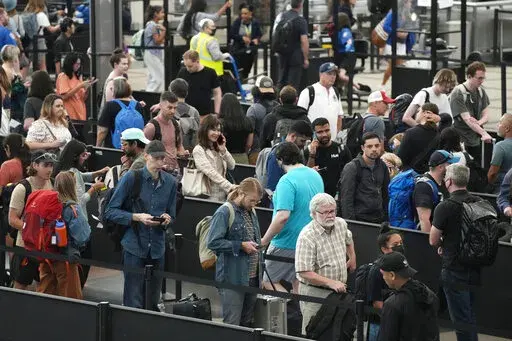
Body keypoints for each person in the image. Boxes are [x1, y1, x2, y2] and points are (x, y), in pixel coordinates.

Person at [105, 140, 177, 310]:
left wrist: (167, 219)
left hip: (158, 247)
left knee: (152, 300)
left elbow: (172, 214)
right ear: (146, 156)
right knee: (133, 299)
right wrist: (136, 217)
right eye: (156, 158)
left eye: (163, 158)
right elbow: (111, 211)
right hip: (134, 245)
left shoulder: (171, 183)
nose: (161, 163)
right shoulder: (132, 177)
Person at [260, 142, 324, 292]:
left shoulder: (286, 181)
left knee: (268, 281)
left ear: (280, 160)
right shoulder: (315, 175)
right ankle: (300, 313)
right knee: (298, 283)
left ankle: (290, 312)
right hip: (310, 239)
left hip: (285, 241)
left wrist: (264, 240)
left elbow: (282, 216)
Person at [430, 163, 482, 341]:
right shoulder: (479, 202)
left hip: (453, 268)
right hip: (475, 266)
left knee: (461, 320)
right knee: (469, 315)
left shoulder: (445, 207)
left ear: (449, 181)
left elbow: (433, 239)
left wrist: (443, 242)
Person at [295, 193, 356, 333]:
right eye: (325, 212)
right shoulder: (307, 236)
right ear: (314, 214)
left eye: (332, 211)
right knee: (314, 332)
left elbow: (349, 238)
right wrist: (331, 282)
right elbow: (304, 272)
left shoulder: (340, 224)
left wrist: (352, 257)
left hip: (339, 293)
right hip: (315, 292)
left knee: (337, 332)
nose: (330, 216)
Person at [207, 178, 263, 326]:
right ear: (242, 194)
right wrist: (241, 245)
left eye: (257, 202)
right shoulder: (224, 212)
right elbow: (212, 242)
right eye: (252, 200)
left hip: (253, 277)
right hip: (232, 277)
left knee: (247, 323)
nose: (254, 204)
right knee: (232, 324)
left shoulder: (252, 212)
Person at [38, 170, 90, 299]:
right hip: (65, 258)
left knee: (45, 294)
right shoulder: (72, 208)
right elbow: (82, 236)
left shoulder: (47, 203)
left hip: (46, 255)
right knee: (71, 297)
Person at [8, 150, 56, 290]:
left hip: (46, 247)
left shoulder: (52, 185)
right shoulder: (22, 188)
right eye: (46, 165)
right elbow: (12, 219)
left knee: (44, 284)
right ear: (35, 165)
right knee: (20, 285)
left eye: (51, 165)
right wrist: (33, 230)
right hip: (25, 246)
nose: (50, 169)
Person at [378, 252, 440, 341]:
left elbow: (387, 337)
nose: (383, 277)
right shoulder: (430, 294)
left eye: (383, 274)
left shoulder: (392, 305)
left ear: (392, 275)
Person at [339, 132, 389, 223]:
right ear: (363, 148)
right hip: (360, 219)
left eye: (377, 146)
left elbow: (386, 195)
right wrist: (352, 224)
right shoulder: (352, 167)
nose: (374, 149)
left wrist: (386, 218)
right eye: (369, 146)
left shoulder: (382, 166)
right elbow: (346, 199)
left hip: (379, 219)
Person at [365, 224, 405, 340]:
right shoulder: (377, 271)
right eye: (395, 245)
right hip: (379, 325)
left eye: (401, 243)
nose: (400, 247)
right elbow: (377, 304)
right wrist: (393, 319)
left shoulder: (401, 264)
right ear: (384, 248)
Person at [450, 61, 492, 165]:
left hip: (475, 138)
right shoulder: (458, 93)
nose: (482, 81)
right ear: (469, 76)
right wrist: (483, 132)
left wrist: (478, 122)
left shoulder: (481, 92)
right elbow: (467, 120)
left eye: (483, 78)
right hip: (461, 140)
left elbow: (486, 115)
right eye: (479, 78)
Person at [52, 139, 109, 216]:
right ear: (75, 157)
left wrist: (98, 172)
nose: (85, 159)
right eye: (83, 155)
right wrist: (94, 188)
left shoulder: (67, 169)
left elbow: (81, 176)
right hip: (77, 215)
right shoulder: (71, 173)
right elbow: (81, 200)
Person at [192, 114, 236, 201]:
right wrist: (230, 186)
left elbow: (232, 165)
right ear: (205, 130)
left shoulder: (219, 147)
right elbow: (211, 172)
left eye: (218, 130)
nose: (216, 133)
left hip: (223, 194)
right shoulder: (198, 150)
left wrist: (224, 150)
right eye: (213, 130)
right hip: (207, 195)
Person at [304, 117, 352, 196]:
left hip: (338, 196)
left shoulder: (341, 149)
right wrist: (312, 155)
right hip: (317, 196)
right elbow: (308, 176)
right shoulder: (308, 152)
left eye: (327, 130)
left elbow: (350, 175)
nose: (324, 134)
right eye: (320, 132)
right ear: (314, 134)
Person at [414, 150, 459, 232]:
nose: (452, 166)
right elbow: (424, 220)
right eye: (450, 164)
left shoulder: (443, 182)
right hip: (432, 238)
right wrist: (431, 243)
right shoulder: (423, 186)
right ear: (440, 167)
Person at [298, 62, 343, 140]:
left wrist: (336, 136)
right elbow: (299, 116)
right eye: (329, 73)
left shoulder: (335, 92)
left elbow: (339, 116)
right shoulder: (309, 91)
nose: (333, 77)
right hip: (313, 140)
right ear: (321, 74)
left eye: (334, 74)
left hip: (331, 141)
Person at [144, 91, 188, 172]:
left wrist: (183, 153)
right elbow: (143, 153)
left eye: (175, 108)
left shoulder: (176, 124)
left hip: (175, 170)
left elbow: (179, 146)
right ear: (160, 106)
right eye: (169, 107)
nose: (173, 111)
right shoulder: (151, 127)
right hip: (157, 172)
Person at [266, 120, 313, 192]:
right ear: (293, 136)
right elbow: (273, 186)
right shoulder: (276, 154)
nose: (303, 145)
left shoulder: (298, 153)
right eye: (302, 141)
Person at [96, 77, 144, 148]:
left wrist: (97, 147)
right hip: (135, 148)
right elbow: (144, 128)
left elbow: (102, 130)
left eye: (112, 88)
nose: (111, 90)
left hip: (115, 149)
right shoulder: (138, 105)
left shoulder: (110, 105)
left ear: (116, 90)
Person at [260, 85, 310, 149]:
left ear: (280, 100)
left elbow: (263, 143)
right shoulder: (305, 119)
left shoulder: (270, 118)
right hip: (300, 157)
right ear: (296, 99)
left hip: (276, 156)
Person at [274, 0, 309, 91]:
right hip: (295, 56)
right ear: (301, 5)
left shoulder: (282, 16)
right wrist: (305, 58)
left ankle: (279, 102)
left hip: (282, 54)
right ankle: (290, 103)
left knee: (281, 81)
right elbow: (304, 41)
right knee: (293, 83)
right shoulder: (300, 20)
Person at [380, 0, 415, 87]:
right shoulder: (394, 12)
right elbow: (385, 26)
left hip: (402, 44)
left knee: (397, 66)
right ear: (404, 3)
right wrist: (396, 32)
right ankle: (386, 85)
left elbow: (409, 27)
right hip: (392, 44)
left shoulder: (407, 14)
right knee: (394, 65)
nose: (410, 4)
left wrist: (406, 33)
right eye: (409, 2)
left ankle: (390, 85)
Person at [398, 103, 440, 173]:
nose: (416, 114)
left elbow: (400, 159)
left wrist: (397, 147)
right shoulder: (439, 134)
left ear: (425, 113)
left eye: (418, 111)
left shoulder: (410, 133)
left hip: (412, 175)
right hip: (431, 175)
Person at [177, 50, 221, 117]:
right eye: (186, 66)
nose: (188, 69)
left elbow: (217, 93)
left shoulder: (210, 73)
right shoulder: (182, 72)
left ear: (197, 61)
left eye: (190, 66)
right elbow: (175, 91)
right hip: (186, 115)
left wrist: (217, 113)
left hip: (204, 114)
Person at [246, 76, 279, 163]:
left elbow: (249, 133)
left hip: (257, 153)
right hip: (276, 153)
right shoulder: (279, 108)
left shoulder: (253, 109)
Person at [56, 52, 96, 121]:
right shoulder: (63, 76)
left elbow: (82, 98)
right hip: (69, 115)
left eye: (79, 64)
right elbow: (64, 96)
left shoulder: (77, 77)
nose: (78, 66)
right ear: (70, 63)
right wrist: (80, 86)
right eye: (76, 64)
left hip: (80, 114)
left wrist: (87, 88)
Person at [228, 3, 262, 81]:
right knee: (238, 66)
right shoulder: (237, 22)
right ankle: (239, 79)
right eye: (242, 14)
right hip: (238, 49)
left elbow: (259, 34)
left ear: (250, 14)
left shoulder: (255, 23)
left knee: (248, 64)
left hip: (249, 49)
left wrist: (257, 39)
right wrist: (242, 38)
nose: (243, 16)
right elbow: (232, 34)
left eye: (245, 14)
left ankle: (244, 77)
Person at [24, 0, 60, 71]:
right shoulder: (42, 15)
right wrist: (59, 25)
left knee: (26, 65)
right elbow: (51, 30)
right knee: (42, 66)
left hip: (28, 41)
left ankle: (20, 81)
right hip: (39, 41)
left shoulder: (26, 14)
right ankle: (45, 81)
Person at [219, 93, 254, 164]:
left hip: (223, 158)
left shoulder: (220, 123)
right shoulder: (248, 121)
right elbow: (249, 144)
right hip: (242, 157)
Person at [169, 78, 200, 151]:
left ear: (171, 92)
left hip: (173, 152)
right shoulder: (194, 112)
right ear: (187, 93)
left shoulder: (168, 111)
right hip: (191, 153)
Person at [2, 44, 26, 126]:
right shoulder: (7, 71)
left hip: (15, 104)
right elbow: (8, 90)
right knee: (14, 126)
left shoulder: (10, 69)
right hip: (10, 105)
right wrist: (21, 86)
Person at [143, 5, 166, 92]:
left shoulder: (152, 25)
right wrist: (164, 31)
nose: (163, 14)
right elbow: (157, 41)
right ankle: (150, 94)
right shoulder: (153, 26)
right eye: (162, 12)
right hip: (152, 54)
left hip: (151, 53)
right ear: (156, 14)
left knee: (153, 77)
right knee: (159, 78)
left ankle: (149, 94)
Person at [487, 113, 512, 192]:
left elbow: (492, 173)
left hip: (503, 190)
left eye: (500, 123)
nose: (498, 125)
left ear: (507, 128)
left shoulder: (500, 146)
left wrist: (490, 183)